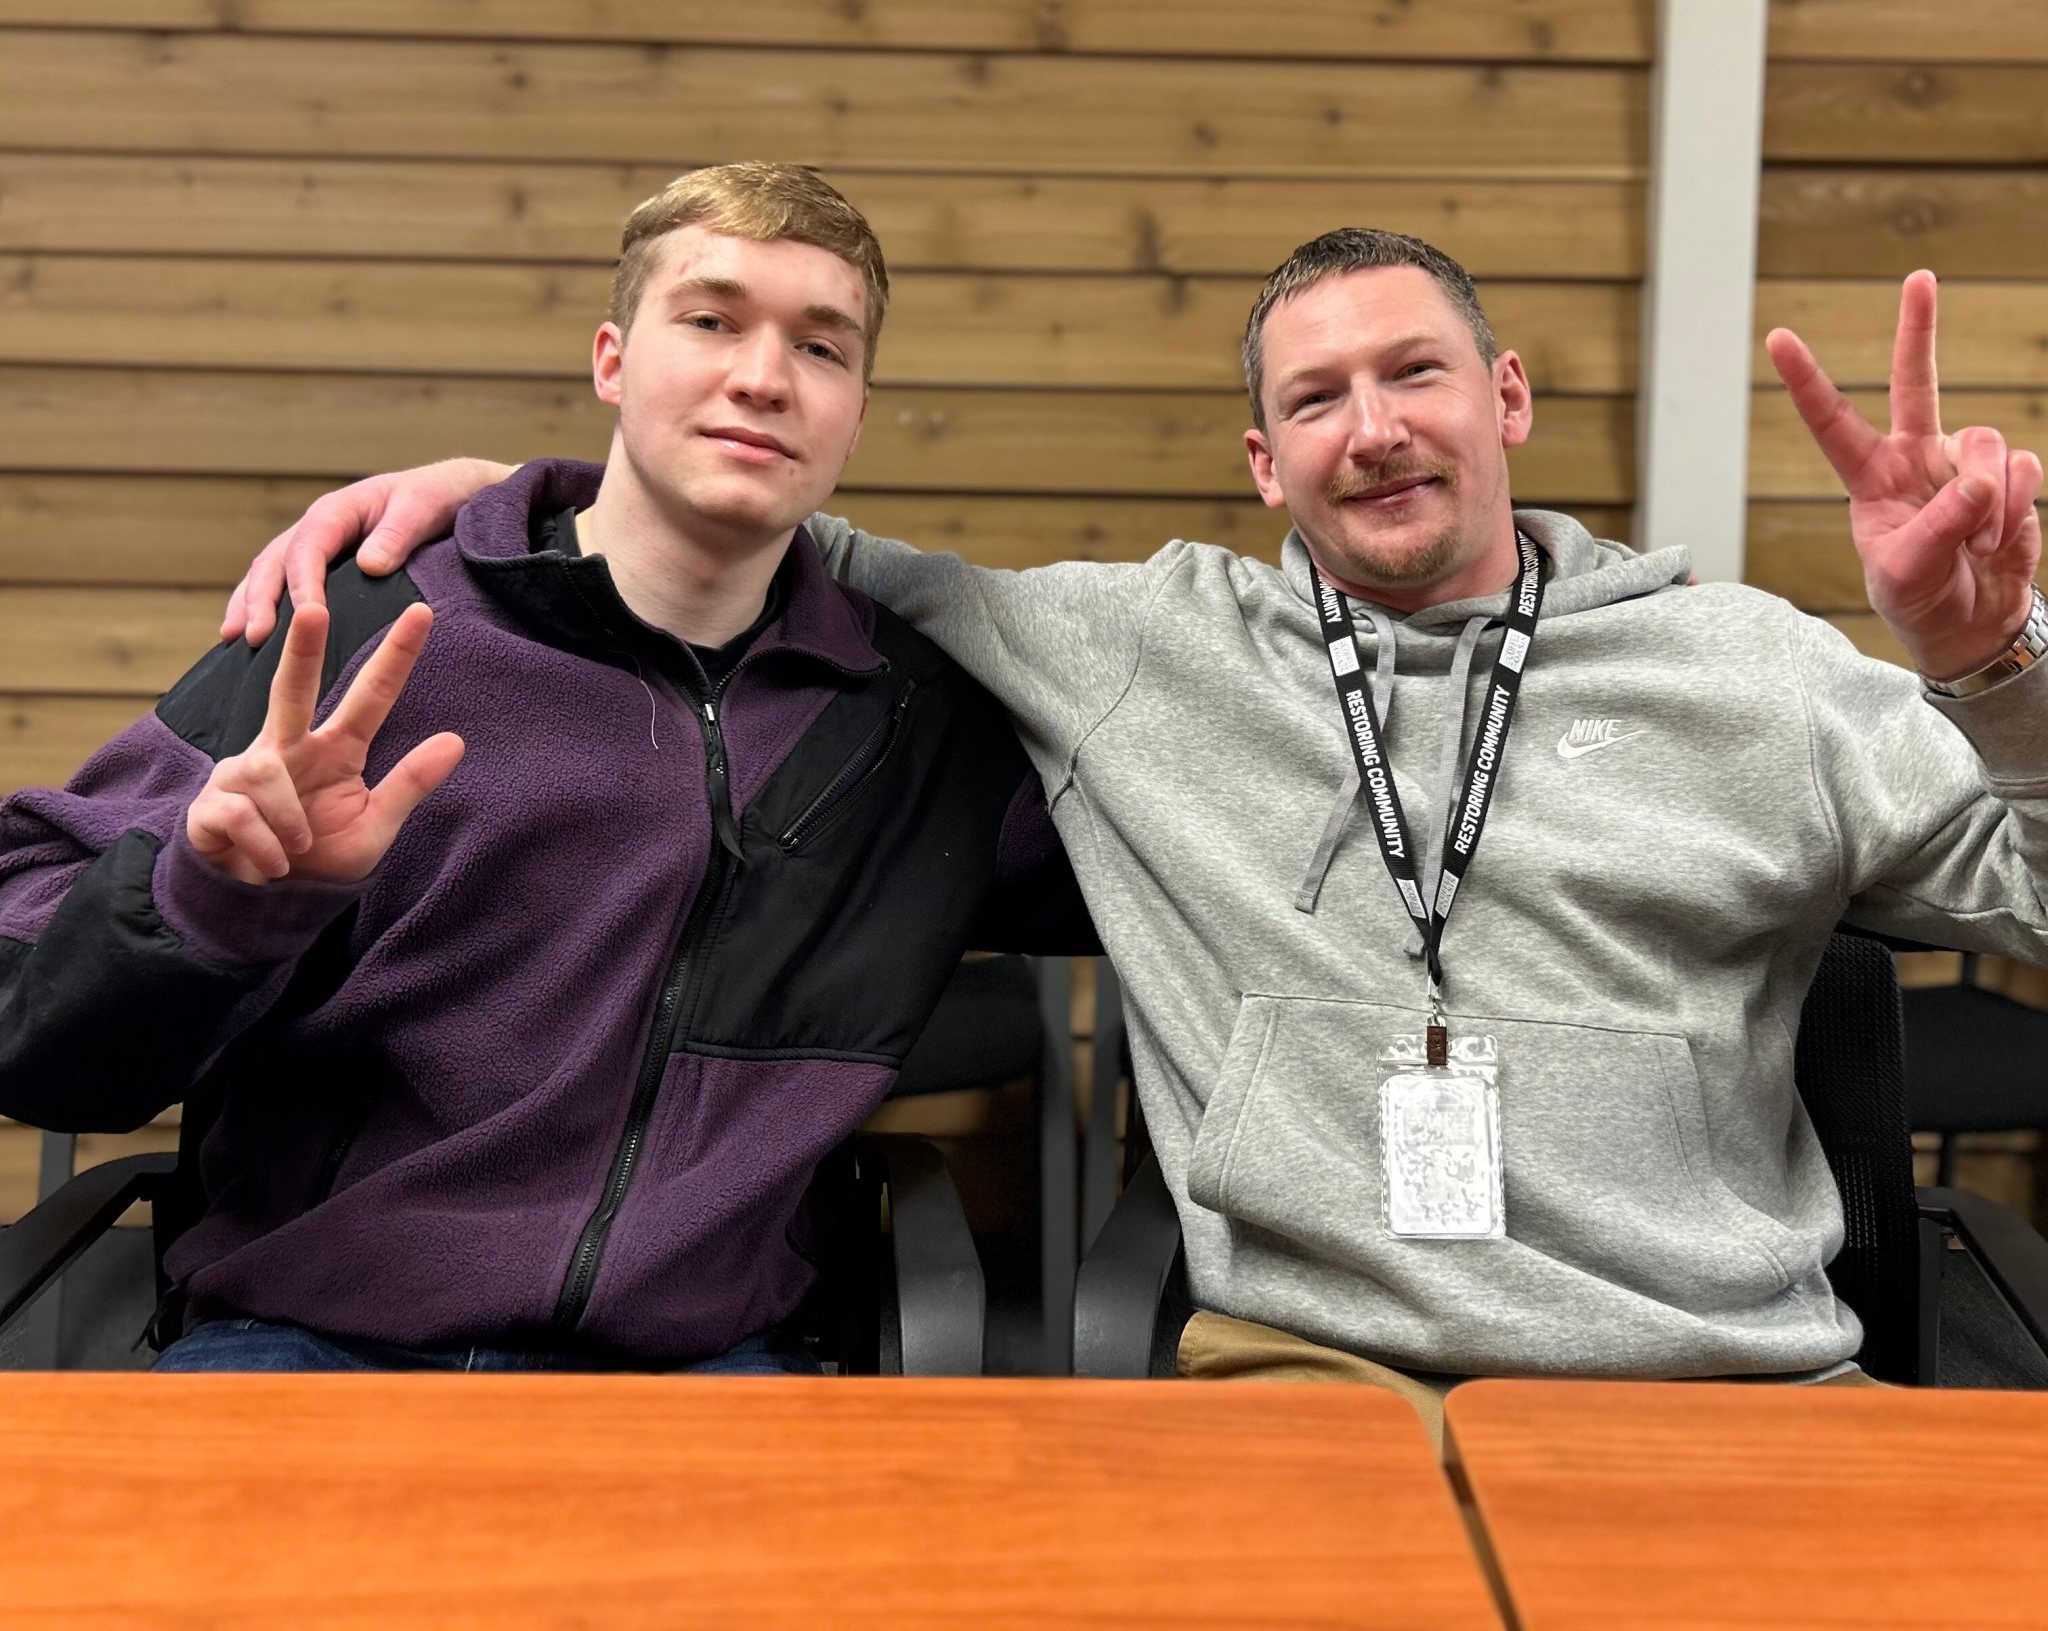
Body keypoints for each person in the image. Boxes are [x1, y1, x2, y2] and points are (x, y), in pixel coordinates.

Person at [223, 225, 2048, 1419]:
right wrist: (523, 490)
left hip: (1729, 1385)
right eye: (1313, 399)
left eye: (1414, 372)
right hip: (1313, 1379)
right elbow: (753, 531)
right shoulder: (1137, 649)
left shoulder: (1751, 670)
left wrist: (1994, 661)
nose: (1370, 429)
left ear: (1504, 398)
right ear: (1264, 462)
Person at [0, 162, 1079, 1375]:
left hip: (702, 1371)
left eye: (820, 347)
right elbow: (31, 1027)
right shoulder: (368, 625)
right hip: (308, 1342)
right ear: (611, 361)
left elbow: (1176, 867)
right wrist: (212, 904)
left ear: (856, 412)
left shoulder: (913, 723)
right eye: (710, 320)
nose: (764, 377)